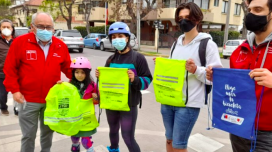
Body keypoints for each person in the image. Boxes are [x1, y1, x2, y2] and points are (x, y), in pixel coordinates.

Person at [206, 0, 272, 151]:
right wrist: (218, 78)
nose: (251, 14)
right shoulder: (240, 50)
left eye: (258, 9)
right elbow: (237, 88)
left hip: (268, 134)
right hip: (238, 127)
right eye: (249, 9)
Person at [3, 12, 72, 152]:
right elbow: (10, 69)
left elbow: (70, 69)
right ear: (32, 27)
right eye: (41, 26)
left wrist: (84, 81)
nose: (45, 30)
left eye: (49, 27)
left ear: (53, 28)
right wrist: (15, 91)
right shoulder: (20, 43)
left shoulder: (60, 46)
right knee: (28, 135)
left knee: (48, 134)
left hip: (51, 99)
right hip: (27, 99)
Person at [160, 2, 222, 152]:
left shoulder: (207, 44)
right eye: (180, 18)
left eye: (187, 17)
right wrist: (164, 65)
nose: (183, 21)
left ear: (197, 19)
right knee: (169, 139)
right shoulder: (176, 44)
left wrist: (195, 70)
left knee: (179, 145)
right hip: (169, 99)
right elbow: (174, 72)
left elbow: (216, 77)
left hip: (188, 105)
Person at [96, 22, 152, 152]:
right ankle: (114, 149)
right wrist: (100, 76)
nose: (117, 39)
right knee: (113, 131)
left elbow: (148, 79)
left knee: (127, 137)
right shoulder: (110, 59)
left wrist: (135, 79)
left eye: (120, 35)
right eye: (114, 37)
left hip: (129, 105)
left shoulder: (138, 58)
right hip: (111, 103)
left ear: (127, 38)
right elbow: (106, 83)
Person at [66, 57, 98, 152]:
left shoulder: (92, 85)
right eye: (77, 72)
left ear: (87, 73)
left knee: (85, 140)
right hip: (74, 118)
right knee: (75, 139)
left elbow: (97, 101)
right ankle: (75, 147)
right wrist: (60, 87)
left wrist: (95, 97)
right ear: (73, 73)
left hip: (86, 118)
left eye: (83, 72)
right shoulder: (70, 85)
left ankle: (91, 150)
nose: (79, 75)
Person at [0, 19, 15, 115]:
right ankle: (3, 107)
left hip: (15, 73)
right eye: (3, 27)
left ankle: (17, 109)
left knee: (17, 93)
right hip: (2, 73)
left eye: (8, 27)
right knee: (2, 94)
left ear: (12, 29)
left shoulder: (17, 40)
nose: (6, 29)